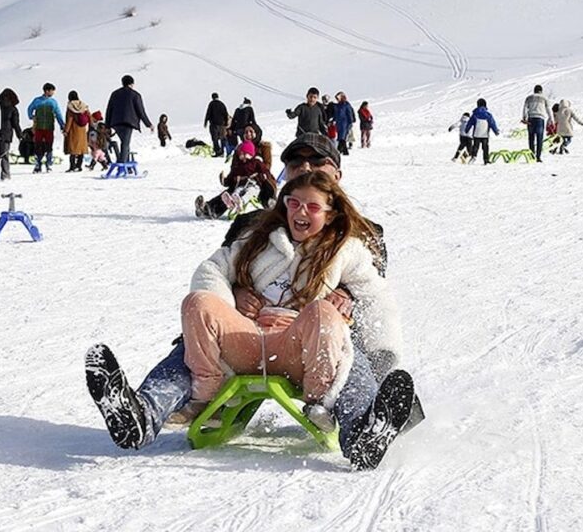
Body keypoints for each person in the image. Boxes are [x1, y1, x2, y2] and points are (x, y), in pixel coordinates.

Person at [85, 134, 424, 468]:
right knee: (191, 344)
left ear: (337, 173)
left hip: (320, 336)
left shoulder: (363, 231)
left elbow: (374, 288)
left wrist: (348, 298)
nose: (306, 167)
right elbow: (222, 270)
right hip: (249, 330)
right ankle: (142, 414)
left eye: (318, 162)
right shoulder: (255, 225)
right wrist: (234, 294)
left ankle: (362, 429)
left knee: (350, 355)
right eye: (295, 163)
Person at [194, 140, 274, 219]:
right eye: (240, 154)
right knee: (228, 193)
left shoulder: (256, 163)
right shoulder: (238, 166)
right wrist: (224, 181)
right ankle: (208, 207)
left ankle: (239, 201)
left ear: (250, 154)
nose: (241, 156)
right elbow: (232, 176)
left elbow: (265, 171)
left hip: (254, 185)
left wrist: (263, 176)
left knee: (249, 191)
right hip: (240, 185)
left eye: (244, 153)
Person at [105, 74, 153, 164]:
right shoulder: (135, 95)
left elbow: (109, 109)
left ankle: (126, 165)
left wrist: (107, 124)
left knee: (124, 142)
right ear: (131, 84)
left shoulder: (114, 94)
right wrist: (148, 124)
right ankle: (122, 164)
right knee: (125, 144)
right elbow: (141, 111)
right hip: (128, 123)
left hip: (116, 123)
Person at [27, 83, 65, 173]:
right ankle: (38, 165)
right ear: (47, 91)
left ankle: (48, 164)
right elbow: (29, 108)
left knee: (49, 146)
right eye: (52, 91)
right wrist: (31, 116)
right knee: (38, 146)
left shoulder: (53, 102)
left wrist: (62, 125)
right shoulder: (37, 101)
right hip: (39, 127)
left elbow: (58, 114)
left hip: (49, 127)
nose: (53, 93)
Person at [0, 88, 23, 180]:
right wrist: (20, 135)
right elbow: (15, 124)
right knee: (4, 156)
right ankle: (5, 174)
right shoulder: (13, 109)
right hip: (6, 134)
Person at [521, 85, 553, 162]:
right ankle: (538, 157)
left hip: (531, 118)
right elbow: (548, 109)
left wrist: (524, 117)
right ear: (541, 91)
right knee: (539, 138)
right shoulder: (544, 98)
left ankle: (531, 155)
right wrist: (551, 118)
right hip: (540, 119)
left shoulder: (529, 98)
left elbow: (525, 108)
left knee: (531, 138)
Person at [464, 98, 500, 164]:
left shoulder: (475, 114)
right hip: (485, 134)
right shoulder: (488, 115)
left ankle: (473, 157)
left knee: (475, 146)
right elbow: (492, 123)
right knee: (485, 147)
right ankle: (486, 160)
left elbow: (470, 123)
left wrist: (466, 130)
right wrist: (496, 131)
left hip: (476, 134)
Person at [64, 90, 91, 173]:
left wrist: (66, 131)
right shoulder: (84, 106)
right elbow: (89, 116)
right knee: (81, 150)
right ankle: (79, 166)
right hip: (82, 130)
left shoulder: (70, 106)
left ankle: (72, 167)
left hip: (73, 130)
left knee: (73, 149)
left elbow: (70, 120)